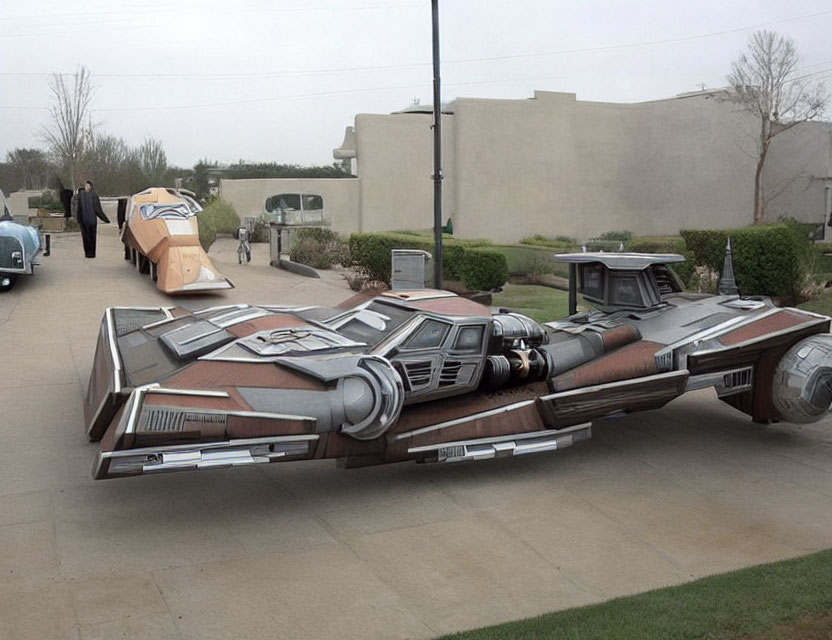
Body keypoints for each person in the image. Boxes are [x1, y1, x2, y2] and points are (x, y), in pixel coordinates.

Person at [76, 180, 110, 258]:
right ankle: (87, 253)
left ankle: (92, 253)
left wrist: (105, 219)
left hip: (92, 221)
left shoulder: (94, 195)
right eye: (86, 186)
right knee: (85, 237)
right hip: (83, 220)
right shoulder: (81, 195)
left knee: (92, 237)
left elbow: (97, 209)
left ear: (91, 187)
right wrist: (78, 219)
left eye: (88, 186)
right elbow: (78, 208)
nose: (87, 187)